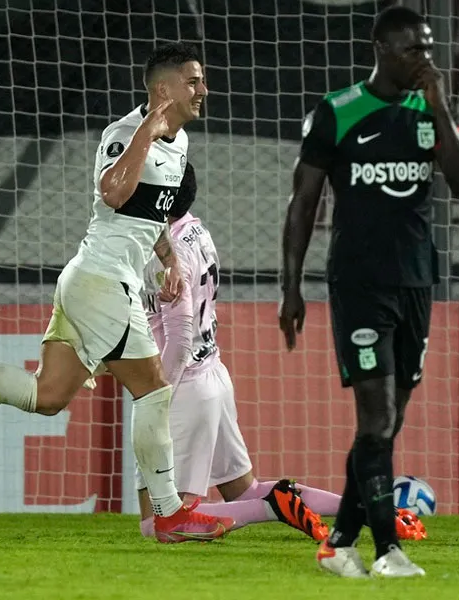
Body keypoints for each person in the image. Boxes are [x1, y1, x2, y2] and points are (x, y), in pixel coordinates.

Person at [0, 41, 231, 543]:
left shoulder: (179, 145)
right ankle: (168, 513)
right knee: (155, 390)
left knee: (46, 396)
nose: (203, 89)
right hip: (103, 281)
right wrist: (146, 131)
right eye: (193, 80)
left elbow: (148, 212)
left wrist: (167, 259)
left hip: (94, 282)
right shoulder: (123, 133)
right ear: (164, 89)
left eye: (201, 80)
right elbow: (113, 191)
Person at [279, 5, 459, 578]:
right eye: (415, 48)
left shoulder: (427, 110)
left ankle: (339, 542)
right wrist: (290, 285)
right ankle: (387, 549)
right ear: (383, 51)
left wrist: (438, 103)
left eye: (430, 47)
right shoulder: (338, 112)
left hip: (416, 281)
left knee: (387, 424)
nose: (426, 58)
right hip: (358, 284)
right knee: (376, 416)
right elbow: (303, 203)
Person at [137, 162, 339, 542]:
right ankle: (359, 507)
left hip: (184, 388)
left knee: (158, 525)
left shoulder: (168, 253)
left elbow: (179, 340)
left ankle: (274, 506)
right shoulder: (195, 230)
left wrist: (156, 397)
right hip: (211, 376)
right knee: (242, 491)